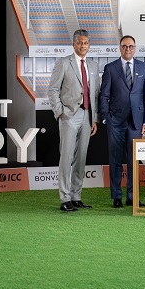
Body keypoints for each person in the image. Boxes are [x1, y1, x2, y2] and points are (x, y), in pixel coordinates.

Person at [47, 29, 100, 212]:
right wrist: (60, 112)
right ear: (74, 44)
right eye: (79, 43)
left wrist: (94, 118)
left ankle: (76, 197)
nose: (83, 46)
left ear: (89, 45)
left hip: (87, 116)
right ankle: (64, 198)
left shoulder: (93, 65)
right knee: (67, 157)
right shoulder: (63, 63)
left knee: (81, 158)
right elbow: (53, 90)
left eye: (85, 43)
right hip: (69, 116)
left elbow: (95, 94)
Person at [99, 35, 145, 208]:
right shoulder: (110, 68)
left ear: (135, 48)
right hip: (115, 121)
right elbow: (104, 95)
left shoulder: (144, 68)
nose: (127, 49)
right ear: (120, 48)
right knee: (115, 159)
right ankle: (116, 197)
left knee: (133, 161)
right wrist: (106, 117)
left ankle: (132, 197)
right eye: (124, 46)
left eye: (131, 46)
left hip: (136, 122)